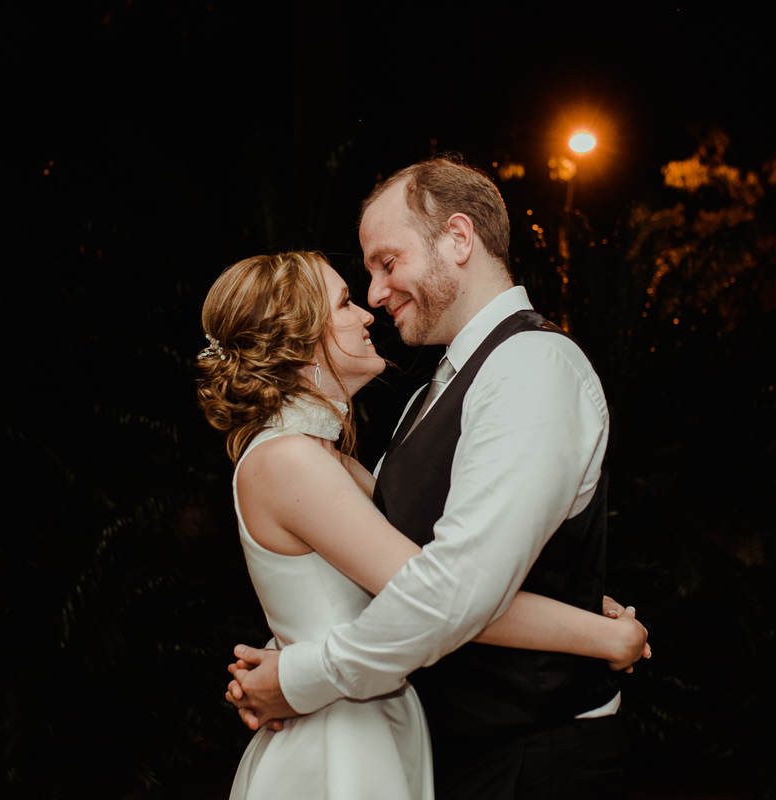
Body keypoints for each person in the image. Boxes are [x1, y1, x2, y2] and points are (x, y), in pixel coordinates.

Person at [227, 158, 641, 799]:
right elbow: (419, 572)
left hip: (530, 759)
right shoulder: (430, 396)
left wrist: (299, 674)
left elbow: (453, 589)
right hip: (448, 754)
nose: (373, 296)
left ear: (457, 238)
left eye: (386, 263)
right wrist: (593, 625)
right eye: (358, 282)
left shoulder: (530, 368)